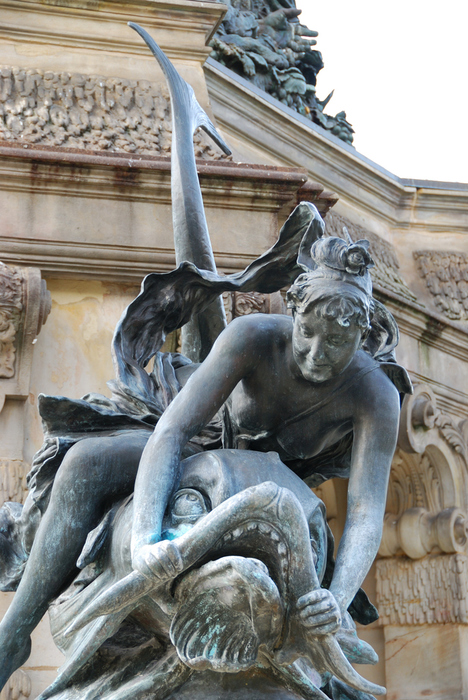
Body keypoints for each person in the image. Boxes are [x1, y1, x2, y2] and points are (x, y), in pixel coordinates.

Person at [0, 27, 410, 691]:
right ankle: (17, 627)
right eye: (308, 333)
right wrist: (148, 536)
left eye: (337, 344)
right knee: (86, 463)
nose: (317, 353)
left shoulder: (374, 396)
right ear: (293, 310)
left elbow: (365, 510)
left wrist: (336, 597)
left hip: (277, 483)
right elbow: (170, 432)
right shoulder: (254, 338)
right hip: (195, 441)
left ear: (360, 337)